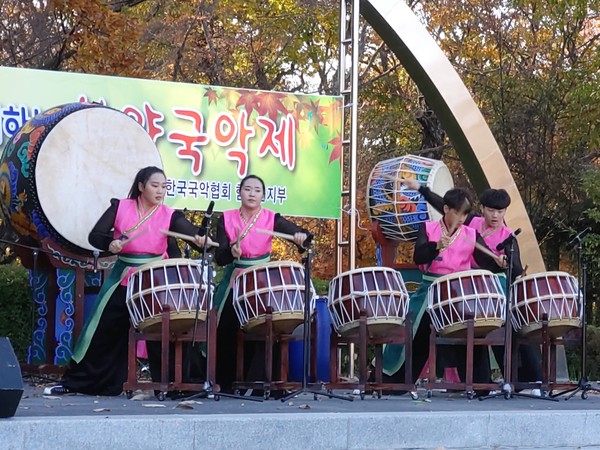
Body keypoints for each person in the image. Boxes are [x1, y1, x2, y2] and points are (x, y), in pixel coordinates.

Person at [44, 166, 213, 396]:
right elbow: (96, 235)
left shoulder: (170, 215)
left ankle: (176, 386)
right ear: (142, 186)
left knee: (166, 328)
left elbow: (192, 235)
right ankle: (85, 383)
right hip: (124, 275)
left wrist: (200, 239)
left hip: (156, 280)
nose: (160, 191)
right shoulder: (121, 207)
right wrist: (109, 244)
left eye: (164, 187)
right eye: (155, 185)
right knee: (103, 329)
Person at [403, 179, 542, 383]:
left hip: (491, 289)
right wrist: (422, 190)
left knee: (502, 328)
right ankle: (469, 381)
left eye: (500, 211)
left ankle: (523, 379)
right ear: (482, 209)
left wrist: (505, 262)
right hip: (462, 287)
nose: (495, 215)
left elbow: (515, 269)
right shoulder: (471, 223)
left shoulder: (507, 236)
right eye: (491, 210)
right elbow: (449, 205)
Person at [382, 188, 507, 390]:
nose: (461, 218)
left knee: (472, 330)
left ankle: (480, 383)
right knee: (416, 330)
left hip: (461, 293)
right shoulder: (428, 228)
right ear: (446, 209)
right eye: (457, 213)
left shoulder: (471, 234)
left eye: (465, 214)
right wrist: (435, 246)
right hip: (431, 290)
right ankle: (395, 382)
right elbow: (419, 258)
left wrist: (500, 263)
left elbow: (486, 262)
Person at [213, 174, 310, 392]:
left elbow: (298, 232)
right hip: (236, 277)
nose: (252, 194)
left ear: (263, 195)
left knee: (269, 324)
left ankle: (262, 382)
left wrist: (301, 237)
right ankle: (225, 383)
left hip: (262, 279)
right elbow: (219, 256)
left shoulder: (270, 218)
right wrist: (231, 251)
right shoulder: (226, 218)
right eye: (248, 189)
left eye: (257, 190)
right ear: (240, 192)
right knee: (225, 324)